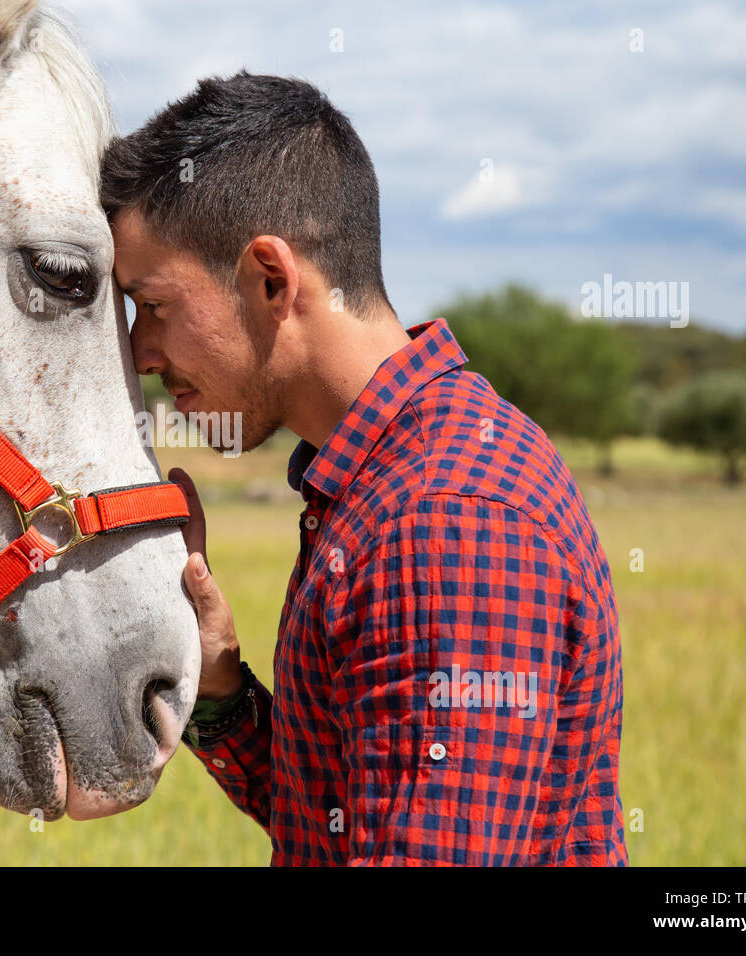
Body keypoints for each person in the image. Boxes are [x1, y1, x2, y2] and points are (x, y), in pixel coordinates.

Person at [100, 71, 626, 865]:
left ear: (271, 280)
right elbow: (340, 816)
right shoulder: (387, 481)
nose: (140, 353)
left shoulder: (444, 519)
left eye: (155, 305)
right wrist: (219, 686)